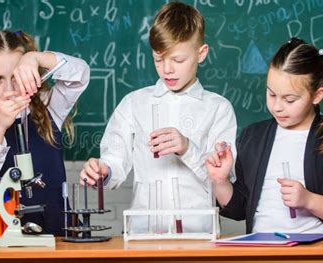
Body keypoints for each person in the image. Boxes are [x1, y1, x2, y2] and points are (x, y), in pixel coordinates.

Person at [80, 2, 237, 233]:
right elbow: (115, 161)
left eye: (178, 60)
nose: (167, 70)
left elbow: (225, 178)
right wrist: (103, 171)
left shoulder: (218, 109)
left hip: (200, 235)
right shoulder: (134, 104)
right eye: (158, 59)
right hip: (143, 234)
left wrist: (187, 148)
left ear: (201, 53)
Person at [206, 38, 323, 234]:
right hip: (261, 251)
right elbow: (241, 208)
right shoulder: (252, 138)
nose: (277, 106)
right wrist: (220, 182)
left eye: (289, 99)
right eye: (271, 94)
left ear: (317, 96)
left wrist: (309, 200)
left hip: (319, 251)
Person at [0, 30, 90, 235]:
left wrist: (36, 58)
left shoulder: (48, 104)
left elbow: (81, 74)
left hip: (59, 233)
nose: (8, 89)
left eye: (15, 76)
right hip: (4, 234)